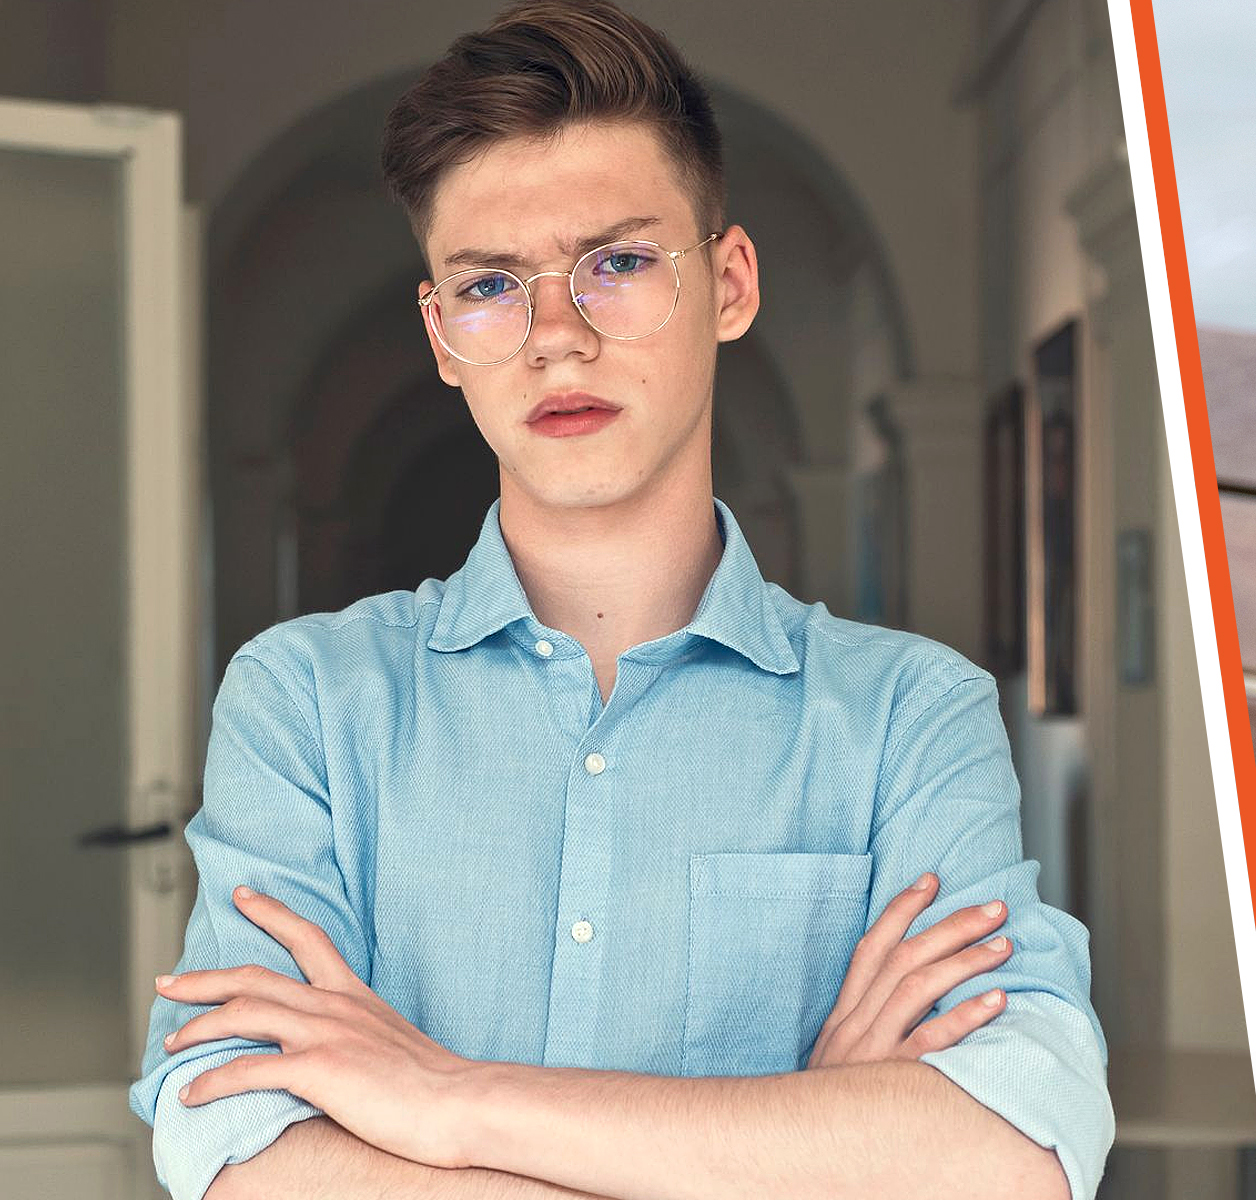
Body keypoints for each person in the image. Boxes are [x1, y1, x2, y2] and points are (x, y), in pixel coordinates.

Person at [126, 3, 1111, 1197]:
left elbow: (1019, 1149)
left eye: (621, 263)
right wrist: (806, 1133)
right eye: (493, 284)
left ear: (731, 283)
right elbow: (231, 1144)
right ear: (443, 337)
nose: (556, 336)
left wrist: (446, 1098)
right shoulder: (305, 702)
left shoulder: (912, 714)